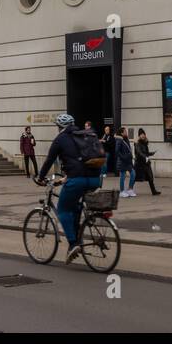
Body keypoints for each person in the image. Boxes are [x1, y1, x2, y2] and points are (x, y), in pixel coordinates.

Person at [37, 112, 105, 264]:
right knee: (74, 209)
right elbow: (80, 160)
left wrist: (40, 177)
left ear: (59, 127)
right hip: (94, 179)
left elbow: (49, 160)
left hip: (77, 181)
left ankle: (74, 244)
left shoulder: (60, 139)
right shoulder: (83, 135)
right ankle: (76, 239)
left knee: (63, 210)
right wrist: (66, 178)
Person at [135, 129, 160, 196]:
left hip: (146, 163)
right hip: (139, 164)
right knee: (134, 178)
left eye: (144, 134)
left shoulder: (145, 143)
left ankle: (154, 191)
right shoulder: (137, 144)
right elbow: (139, 153)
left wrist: (151, 153)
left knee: (150, 177)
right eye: (141, 134)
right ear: (139, 136)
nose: (143, 136)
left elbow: (146, 153)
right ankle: (130, 189)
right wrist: (145, 157)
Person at [115, 128, 135, 196]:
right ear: (121, 133)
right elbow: (117, 151)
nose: (126, 132)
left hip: (128, 161)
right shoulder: (119, 140)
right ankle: (122, 191)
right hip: (122, 161)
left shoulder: (126, 139)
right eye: (125, 131)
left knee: (133, 174)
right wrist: (123, 157)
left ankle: (130, 189)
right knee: (122, 176)